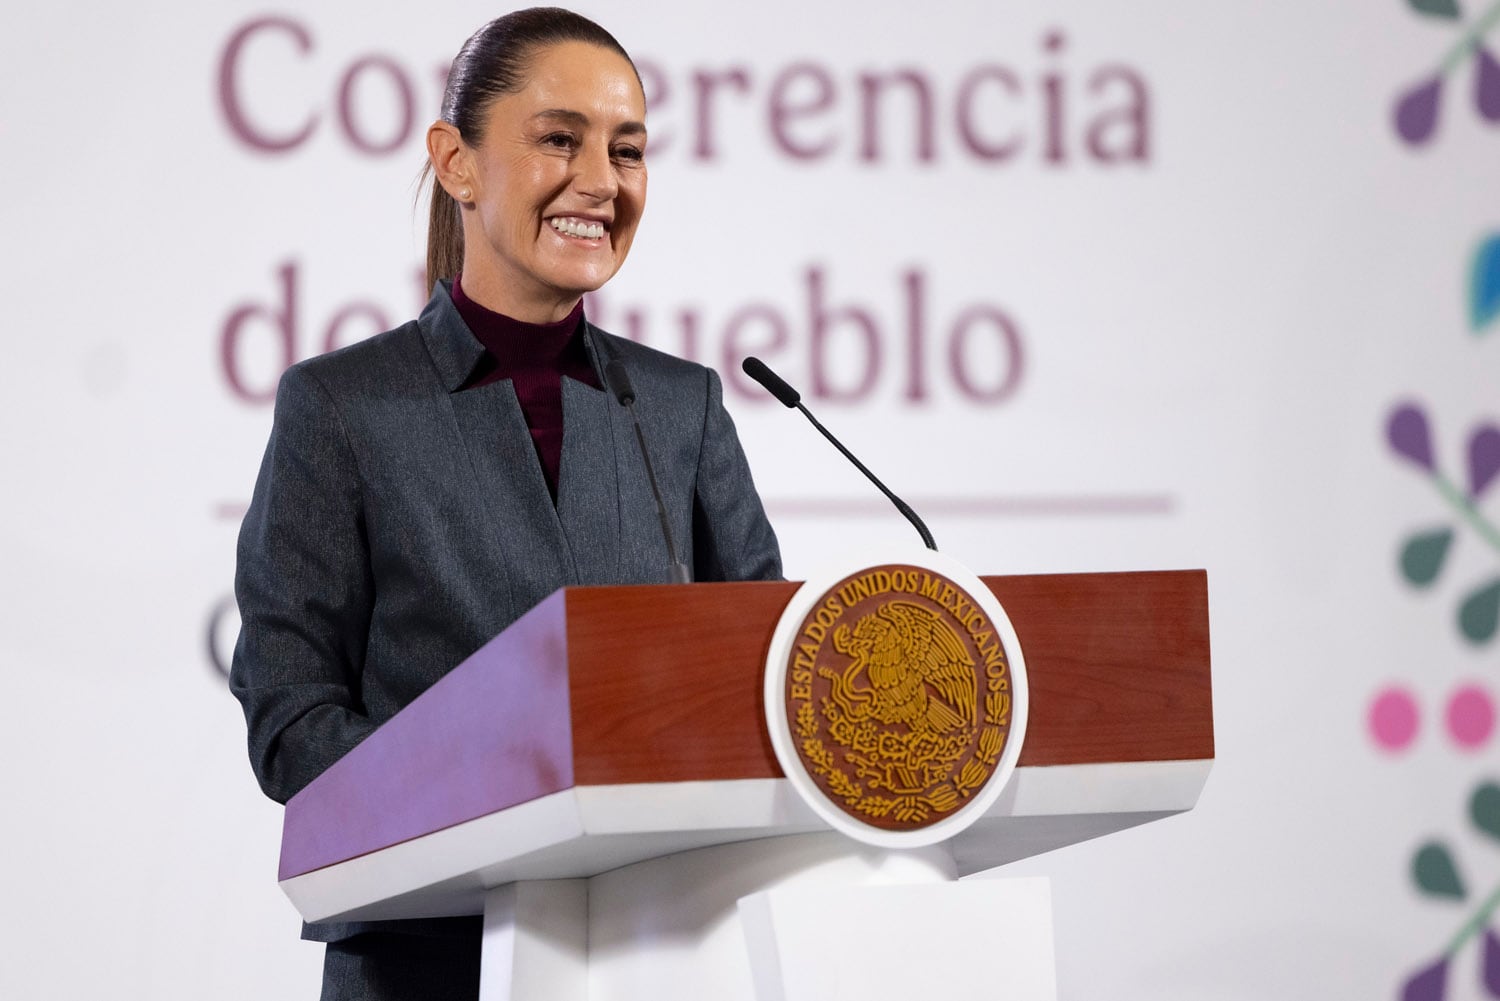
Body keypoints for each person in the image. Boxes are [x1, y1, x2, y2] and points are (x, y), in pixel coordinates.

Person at [229, 8, 782, 1000]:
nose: (602, 181)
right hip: (425, 960)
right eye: (560, 139)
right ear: (457, 162)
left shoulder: (682, 407)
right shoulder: (343, 407)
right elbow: (291, 719)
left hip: (659, 953)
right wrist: (506, 780)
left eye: (628, 150)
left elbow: (771, 678)